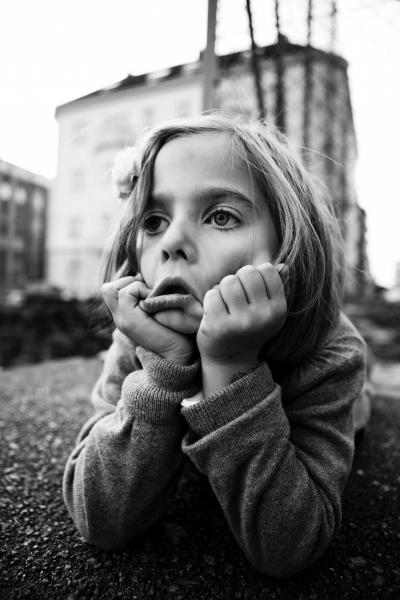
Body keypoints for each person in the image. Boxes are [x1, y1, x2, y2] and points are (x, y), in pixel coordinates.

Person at [63, 114, 367, 578]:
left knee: (362, 414)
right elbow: (99, 518)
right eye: (154, 220)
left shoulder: (332, 352)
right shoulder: (140, 333)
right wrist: (165, 369)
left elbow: (290, 548)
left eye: (221, 216)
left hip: (344, 409)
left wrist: (230, 365)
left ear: (288, 247)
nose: (173, 241)